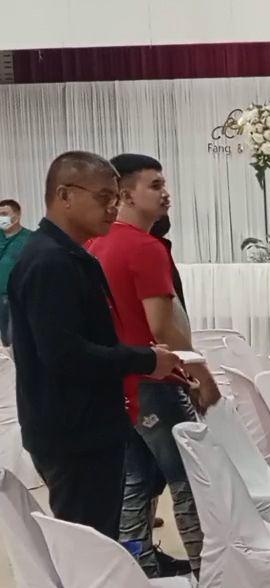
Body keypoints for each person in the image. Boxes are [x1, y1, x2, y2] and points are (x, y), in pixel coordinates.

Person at [9, 151, 182, 538]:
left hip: (87, 425)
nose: (112, 207)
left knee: (102, 537)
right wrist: (145, 359)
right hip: (74, 432)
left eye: (115, 197)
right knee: (91, 549)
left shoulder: (71, 254)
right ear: (65, 195)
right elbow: (65, 355)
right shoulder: (50, 262)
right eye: (103, 197)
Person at [87, 153, 218, 576]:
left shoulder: (95, 244)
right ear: (126, 194)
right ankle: (207, 570)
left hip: (116, 379)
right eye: (155, 186)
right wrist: (201, 373)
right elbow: (162, 328)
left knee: (136, 478)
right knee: (189, 477)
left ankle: (137, 566)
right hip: (153, 377)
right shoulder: (143, 247)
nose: (166, 194)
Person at [0, 199, 33, 347]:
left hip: (16, 297)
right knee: (5, 340)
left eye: (4, 214)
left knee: (15, 339)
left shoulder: (30, 239)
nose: (1, 218)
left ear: (17, 216)